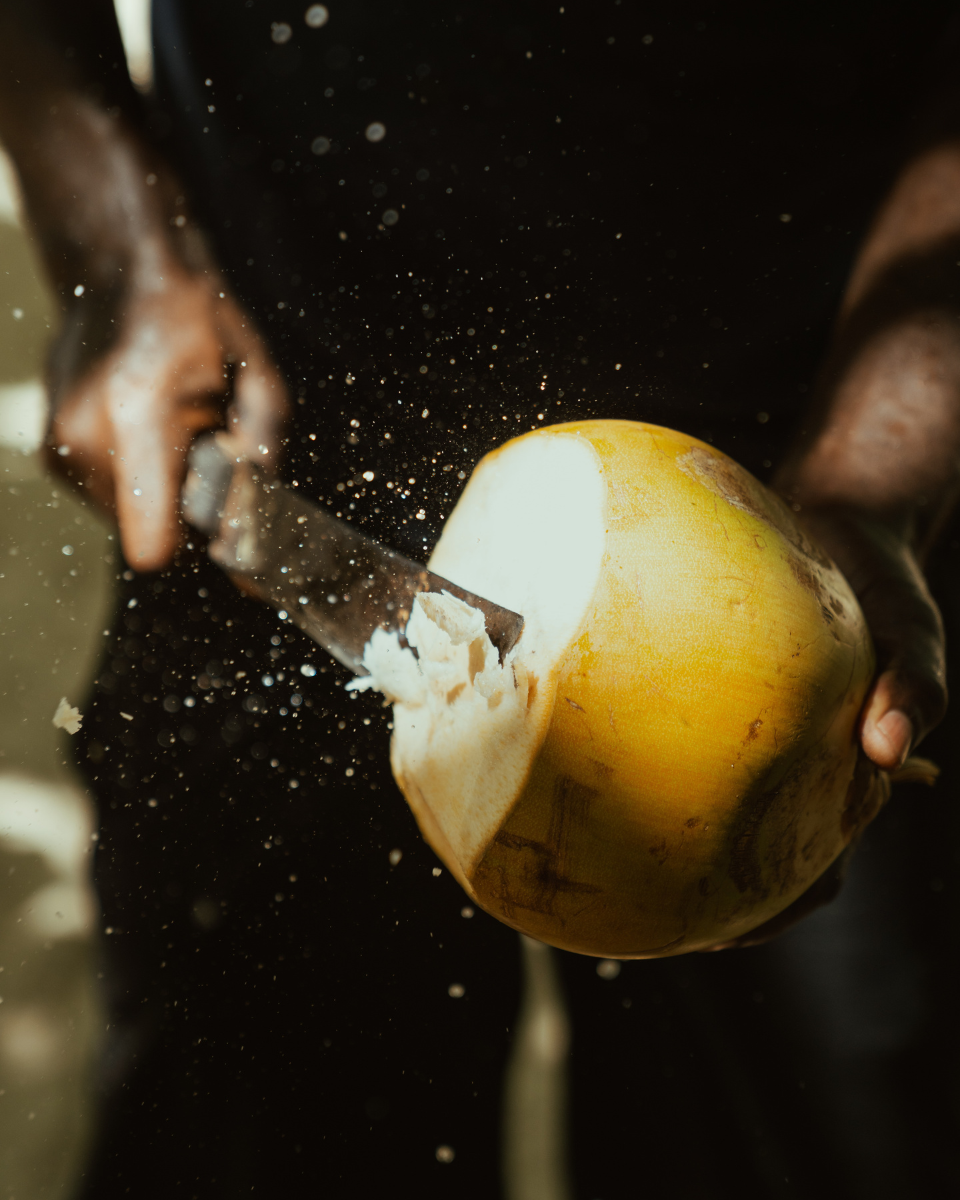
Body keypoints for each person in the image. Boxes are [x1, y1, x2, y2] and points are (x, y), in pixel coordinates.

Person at [0, 1, 957, 1196]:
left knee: (824, 1134)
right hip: (271, 377)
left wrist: (880, 466)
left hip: (794, 490)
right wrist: (119, 243)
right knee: (256, 1122)